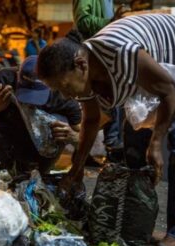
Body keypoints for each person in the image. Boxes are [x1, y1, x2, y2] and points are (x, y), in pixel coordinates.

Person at [37, 14, 175, 246]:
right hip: (161, 70)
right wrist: (76, 171)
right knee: (133, 144)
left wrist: (156, 142)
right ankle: (139, 224)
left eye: (66, 86)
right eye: (59, 91)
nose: (67, 96)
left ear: (81, 65)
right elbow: (91, 121)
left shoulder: (122, 53)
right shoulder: (87, 75)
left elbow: (168, 91)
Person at [0, 55, 81, 173]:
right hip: (8, 137)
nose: (30, 101)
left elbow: (82, 135)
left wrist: (73, 137)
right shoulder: (3, 79)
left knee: (61, 121)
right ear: (18, 75)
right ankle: (5, 169)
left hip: (41, 147)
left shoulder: (62, 94)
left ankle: (40, 170)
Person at [73, 0, 126, 162]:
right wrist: (111, 22)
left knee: (109, 104)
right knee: (106, 103)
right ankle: (110, 147)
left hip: (106, 52)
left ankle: (84, 150)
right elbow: (82, 22)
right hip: (97, 54)